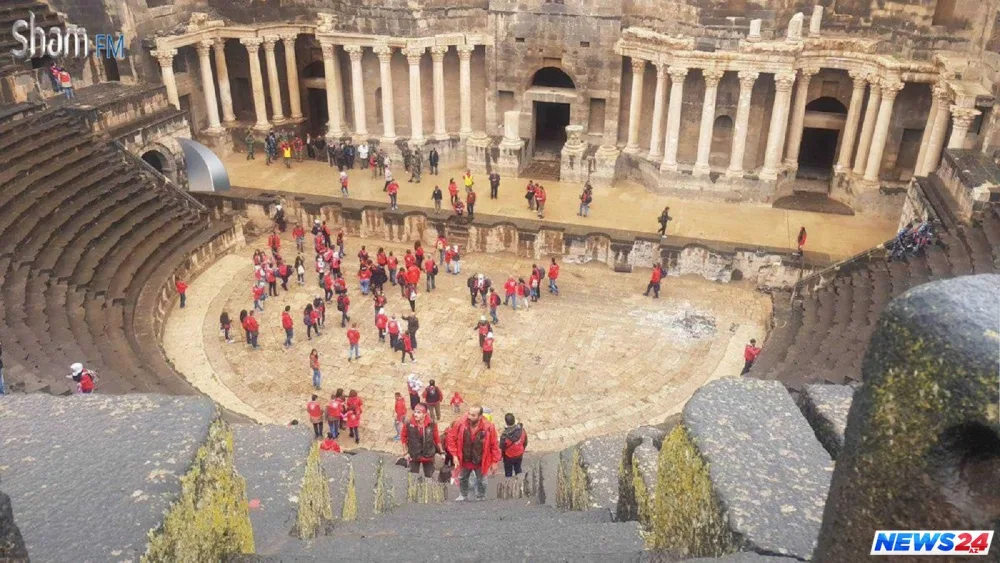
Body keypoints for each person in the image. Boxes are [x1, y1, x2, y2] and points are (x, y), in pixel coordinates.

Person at [447, 406, 501, 501]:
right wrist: (454, 455)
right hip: (465, 459)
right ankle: (463, 495)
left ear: (480, 416)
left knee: (482, 481)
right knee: (462, 478)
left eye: (473, 415)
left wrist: (495, 461)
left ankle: (481, 496)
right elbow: (451, 438)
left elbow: (494, 445)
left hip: (481, 460)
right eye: (469, 413)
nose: (469, 417)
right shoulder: (460, 424)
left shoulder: (489, 427)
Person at [402, 404, 442, 478]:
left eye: (419, 412)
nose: (415, 414)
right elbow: (403, 437)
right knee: (413, 476)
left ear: (425, 414)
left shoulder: (432, 423)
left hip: (428, 455)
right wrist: (405, 452)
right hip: (414, 454)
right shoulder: (408, 423)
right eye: (415, 412)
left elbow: (436, 438)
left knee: (429, 476)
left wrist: (442, 451)